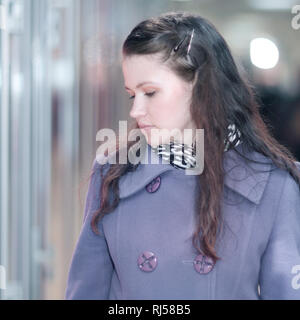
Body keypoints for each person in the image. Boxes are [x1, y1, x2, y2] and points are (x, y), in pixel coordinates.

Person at [65, 11, 300, 300]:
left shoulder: (276, 187)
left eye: (150, 92)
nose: (135, 111)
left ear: (201, 87)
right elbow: (86, 290)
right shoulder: (112, 172)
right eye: (132, 94)